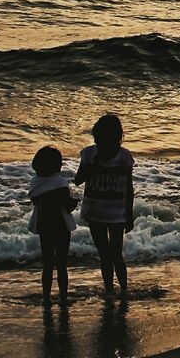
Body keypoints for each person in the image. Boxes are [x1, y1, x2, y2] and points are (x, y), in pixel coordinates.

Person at [74, 114, 135, 298]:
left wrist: (129, 214)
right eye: (98, 140)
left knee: (116, 253)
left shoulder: (124, 157)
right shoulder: (89, 154)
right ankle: (109, 289)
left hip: (116, 212)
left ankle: (124, 290)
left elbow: (129, 188)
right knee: (104, 253)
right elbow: (78, 180)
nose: (100, 144)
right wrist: (92, 166)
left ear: (116, 139)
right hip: (95, 211)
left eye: (104, 140)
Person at [29, 145, 78, 306]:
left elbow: (35, 199)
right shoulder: (61, 183)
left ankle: (46, 297)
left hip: (45, 225)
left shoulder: (35, 183)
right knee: (62, 264)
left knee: (48, 264)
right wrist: (74, 201)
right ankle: (63, 297)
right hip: (60, 225)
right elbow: (68, 206)